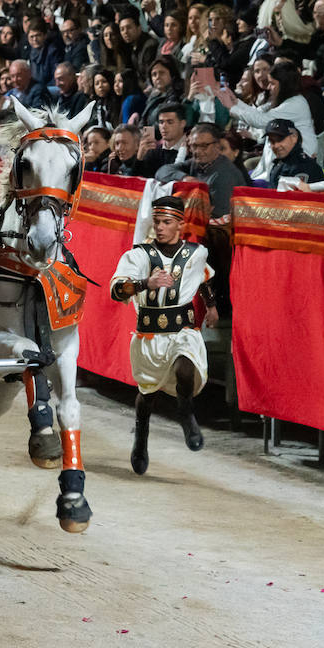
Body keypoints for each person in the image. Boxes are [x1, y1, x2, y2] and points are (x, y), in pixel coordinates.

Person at [109, 194, 219, 475]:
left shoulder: (196, 253)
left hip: (183, 328)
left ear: (180, 225)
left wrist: (211, 307)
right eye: (156, 221)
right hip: (149, 335)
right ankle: (141, 436)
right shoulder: (138, 255)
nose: (159, 227)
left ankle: (185, 411)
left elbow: (203, 277)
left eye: (166, 222)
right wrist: (147, 282)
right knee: (147, 395)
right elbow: (117, 290)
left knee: (186, 367)